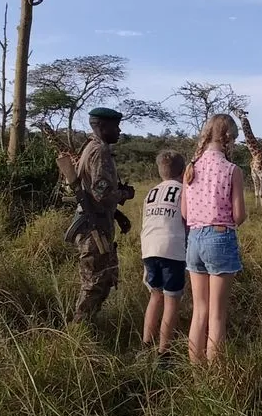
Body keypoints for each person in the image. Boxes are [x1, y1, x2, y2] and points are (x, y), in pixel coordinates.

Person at [180, 113, 248, 364]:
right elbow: (239, 215)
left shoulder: (191, 169)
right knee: (218, 316)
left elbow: (185, 214)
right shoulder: (232, 170)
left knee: (200, 312)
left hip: (194, 240)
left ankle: (197, 375)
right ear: (229, 137)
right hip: (219, 238)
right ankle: (216, 377)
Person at [70, 106, 135, 324]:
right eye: (115, 126)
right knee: (94, 283)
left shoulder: (89, 147)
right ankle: (79, 331)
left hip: (97, 223)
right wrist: (125, 193)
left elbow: (93, 193)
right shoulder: (100, 151)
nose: (119, 130)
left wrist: (116, 214)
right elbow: (101, 192)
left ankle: (87, 327)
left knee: (103, 279)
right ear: (102, 126)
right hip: (93, 228)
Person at [139, 150, 188, 367]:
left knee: (155, 297)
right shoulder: (184, 191)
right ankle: (164, 353)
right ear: (183, 171)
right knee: (171, 302)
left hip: (149, 249)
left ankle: (146, 344)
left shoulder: (151, 192)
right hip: (172, 250)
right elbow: (187, 222)